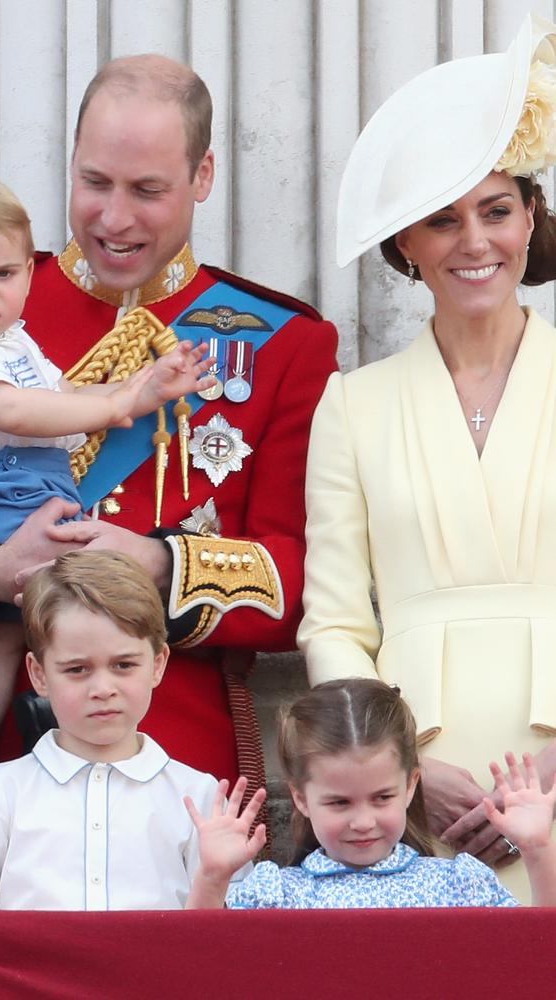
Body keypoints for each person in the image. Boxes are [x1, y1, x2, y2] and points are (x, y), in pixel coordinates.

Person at [0, 55, 338, 808]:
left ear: (203, 177)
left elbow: (300, 588)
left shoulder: (285, 343)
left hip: (175, 762)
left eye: (148, 191)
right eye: (95, 183)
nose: (114, 218)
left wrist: (156, 563)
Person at [297, 12, 556, 901]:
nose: (474, 242)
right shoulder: (352, 403)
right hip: (410, 803)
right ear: (406, 243)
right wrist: (400, 769)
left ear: (530, 219)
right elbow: (332, 621)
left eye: (496, 210)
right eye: (443, 221)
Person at [0, 175, 215, 800]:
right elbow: (16, 414)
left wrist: (142, 392)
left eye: (4, 274)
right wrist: (118, 404)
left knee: (78, 664)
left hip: (32, 492)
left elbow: (63, 397)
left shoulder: (9, 338)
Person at [0, 550, 265, 910]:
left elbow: (221, 947)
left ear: (158, 664)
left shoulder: (199, 795)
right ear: (39, 674)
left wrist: (212, 878)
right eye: (77, 669)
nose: (102, 688)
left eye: (123, 664)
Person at [185, 679, 556, 909]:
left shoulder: (460, 884)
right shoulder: (275, 894)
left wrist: (538, 851)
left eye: (382, 798)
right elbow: (200, 964)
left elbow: (533, 958)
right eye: (339, 802)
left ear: (411, 786)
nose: (363, 822)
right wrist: (213, 877)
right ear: (300, 798)